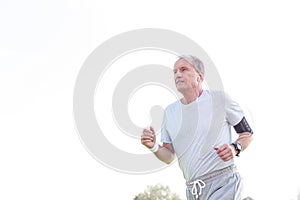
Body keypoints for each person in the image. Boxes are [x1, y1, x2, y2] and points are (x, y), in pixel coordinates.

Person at [141, 55, 253, 200]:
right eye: (175, 71)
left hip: (223, 182)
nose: (177, 75)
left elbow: (247, 133)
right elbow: (169, 156)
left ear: (199, 76)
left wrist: (235, 147)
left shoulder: (220, 100)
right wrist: (153, 146)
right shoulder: (170, 112)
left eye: (184, 69)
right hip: (193, 189)